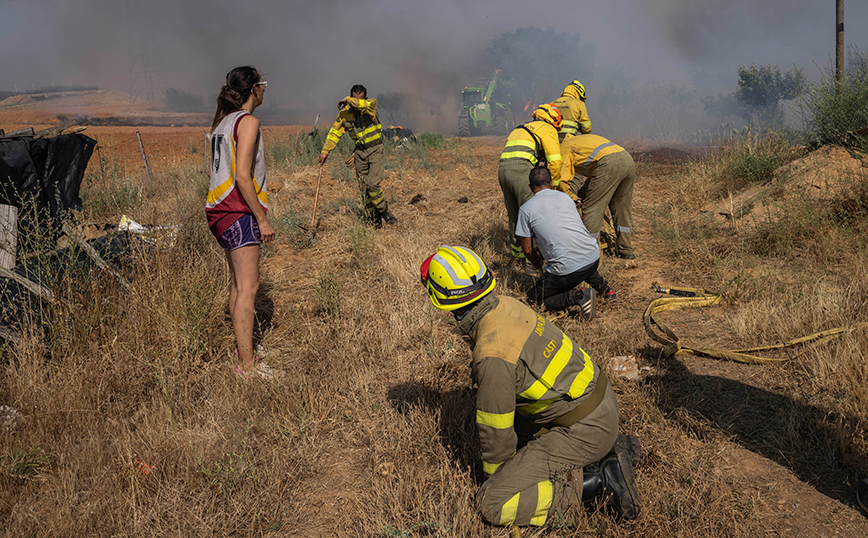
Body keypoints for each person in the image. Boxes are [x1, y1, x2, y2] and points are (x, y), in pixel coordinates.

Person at [419, 245, 641, 528]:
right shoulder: (507, 305)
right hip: (600, 401)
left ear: (441, 299)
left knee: (493, 503)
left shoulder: (492, 354)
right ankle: (608, 449)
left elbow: (496, 434)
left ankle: (597, 482)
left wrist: (500, 480)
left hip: (587, 426)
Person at [206, 66, 276, 380]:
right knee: (249, 288)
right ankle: (247, 368)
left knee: (237, 285)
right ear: (254, 89)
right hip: (239, 212)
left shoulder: (223, 122)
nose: (265, 88)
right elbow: (242, 176)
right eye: (263, 83)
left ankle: (243, 350)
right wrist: (261, 219)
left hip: (220, 212)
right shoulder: (247, 123)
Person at [515, 166, 616, 318]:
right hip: (593, 257)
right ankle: (606, 289)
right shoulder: (565, 197)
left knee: (533, 299)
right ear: (551, 183)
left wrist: (537, 264)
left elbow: (528, 250)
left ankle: (578, 296)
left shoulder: (526, 209)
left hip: (567, 272)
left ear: (530, 188)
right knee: (578, 254)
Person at [318, 84, 397, 228]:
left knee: (373, 184)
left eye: (357, 100)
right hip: (359, 153)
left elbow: (361, 105)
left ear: (365, 98)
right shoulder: (345, 113)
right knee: (364, 188)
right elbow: (334, 133)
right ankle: (375, 219)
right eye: (353, 100)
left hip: (375, 150)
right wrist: (325, 151)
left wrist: (347, 99)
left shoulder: (371, 105)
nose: (355, 105)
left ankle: (384, 211)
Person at [498, 104, 563, 260]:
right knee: (532, 215)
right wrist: (553, 188)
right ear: (554, 120)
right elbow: (554, 161)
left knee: (515, 214)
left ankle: (518, 255)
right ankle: (532, 261)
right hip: (521, 171)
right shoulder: (547, 129)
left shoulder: (521, 128)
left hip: (503, 171)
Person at [560, 134, 637, 260]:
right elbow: (596, 167)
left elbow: (562, 180)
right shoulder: (580, 140)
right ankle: (626, 249)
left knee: (591, 209)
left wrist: (572, 197)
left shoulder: (564, 149)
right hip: (627, 160)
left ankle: (588, 254)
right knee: (621, 208)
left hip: (608, 165)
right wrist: (585, 189)